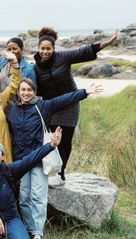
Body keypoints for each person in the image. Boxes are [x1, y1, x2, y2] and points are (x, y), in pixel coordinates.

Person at [7, 79, 103, 239]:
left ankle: (37, 234)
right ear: (18, 91)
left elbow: (64, 99)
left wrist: (85, 92)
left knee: (38, 196)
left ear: (34, 91)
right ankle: (29, 229)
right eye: (23, 90)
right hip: (21, 161)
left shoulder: (43, 106)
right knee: (24, 198)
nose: (26, 93)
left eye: (29, 90)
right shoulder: (12, 109)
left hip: (39, 158)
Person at [33, 27, 118, 180]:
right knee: (55, 141)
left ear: (54, 48)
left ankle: (61, 173)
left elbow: (83, 51)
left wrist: (108, 43)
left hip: (71, 104)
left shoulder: (63, 57)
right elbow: (33, 87)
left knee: (66, 141)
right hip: (52, 107)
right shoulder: (35, 68)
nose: (45, 52)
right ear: (38, 48)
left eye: (48, 48)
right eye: (42, 48)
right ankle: (55, 169)